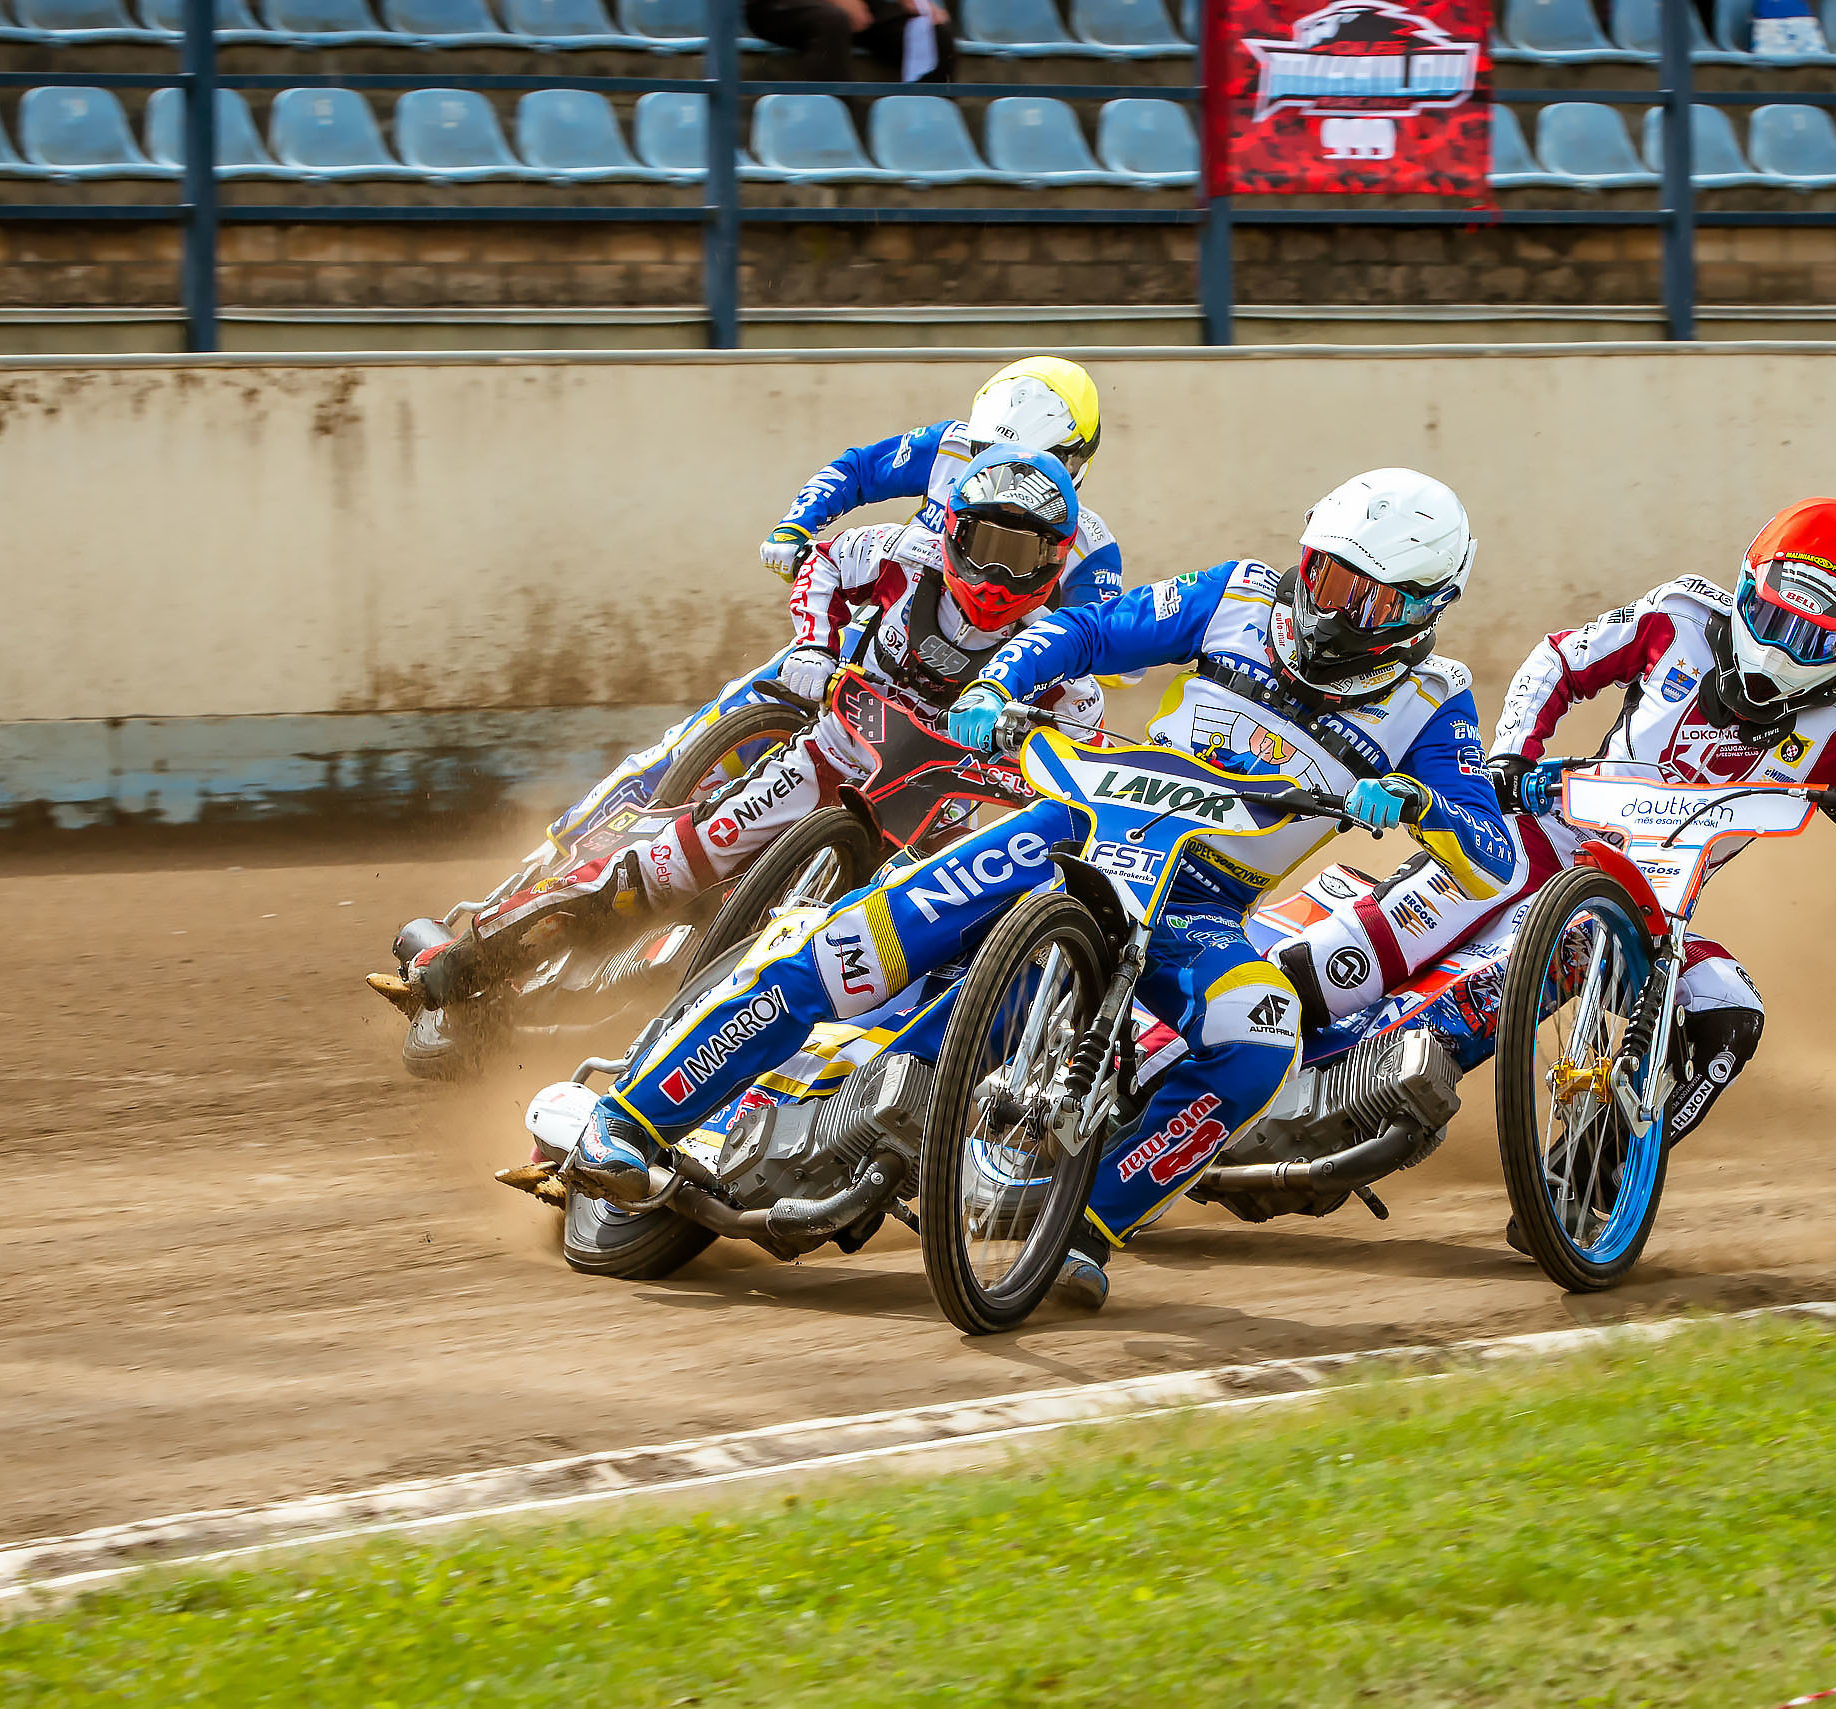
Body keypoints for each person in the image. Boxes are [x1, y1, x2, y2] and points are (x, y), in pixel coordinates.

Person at [566, 469, 1515, 1314]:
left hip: (1197, 908)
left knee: (1261, 1033)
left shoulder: (1437, 702)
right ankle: (631, 1119)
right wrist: (1002, 681)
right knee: (861, 946)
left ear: (1420, 608)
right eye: (1319, 569)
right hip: (1072, 830)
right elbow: (1088, 628)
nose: (1322, 601)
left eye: (1356, 590)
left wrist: (1425, 801)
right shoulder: (1236, 593)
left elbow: (1492, 855)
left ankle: (1088, 1228)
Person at [1271, 497, 1836, 1182]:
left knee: (1730, 1010)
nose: (1778, 650)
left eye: (1808, 640)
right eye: (1772, 619)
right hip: (1544, 833)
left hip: (1653, 916)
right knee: (1341, 965)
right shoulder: (1681, 615)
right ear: (1747, 587)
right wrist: (1510, 757)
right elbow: (1559, 660)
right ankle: (1227, 1039)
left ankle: (1590, 1183)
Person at [405, 445, 1106, 1006]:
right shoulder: (901, 552)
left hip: (938, 821)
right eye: (982, 542)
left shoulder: (1065, 657)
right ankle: (473, 959)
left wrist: (1021, 764)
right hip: (832, 754)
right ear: (952, 531)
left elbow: (1086, 779)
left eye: (1017, 557)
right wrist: (812, 644)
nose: (993, 572)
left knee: (922, 962)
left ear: (1054, 559)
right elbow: (823, 564)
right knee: (666, 864)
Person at [504, 357, 1119, 900]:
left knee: (935, 865)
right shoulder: (949, 446)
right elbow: (855, 469)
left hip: (960, 716)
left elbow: (1097, 643)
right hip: (860, 639)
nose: (992, 467)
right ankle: (553, 864)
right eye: (985, 449)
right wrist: (798, 527)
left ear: (1074, 463)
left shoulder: (1089, 547)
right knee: (709, 726)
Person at [745, 0, 958, 87]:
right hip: (780, 4)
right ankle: (830, 131)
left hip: (859, 7)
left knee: (931, 30)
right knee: (832, 20)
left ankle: (924, 128)